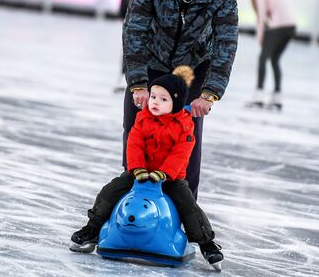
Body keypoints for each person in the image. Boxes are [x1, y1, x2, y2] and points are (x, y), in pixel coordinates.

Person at [122, 0, 238, 199]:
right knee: (136, 130)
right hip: (153, 59)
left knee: (187, 137)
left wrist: (210, 92)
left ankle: (185, 208)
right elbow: (135, 27)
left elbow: (226, 38)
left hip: (195, 66)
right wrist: (138, 82)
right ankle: (132, 202)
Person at [70, 66, 224, 270]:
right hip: (140, 174)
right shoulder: (143, 118)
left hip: (170, 178)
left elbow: (181, 153)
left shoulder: (185, 125)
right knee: (111, 190)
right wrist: (137, 169)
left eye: (163, 99)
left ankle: (206, 243)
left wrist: (164, 173)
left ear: (176, 103)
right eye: (153, 96)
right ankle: (92, 229)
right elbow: (134, 144)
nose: (155, 102)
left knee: (187, 204)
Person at [114, 0, 165, 93]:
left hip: (136, 11)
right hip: (156, 12)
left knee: (132, 43)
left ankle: (125, 76)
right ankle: (150, 76)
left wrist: (123, 12)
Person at [246, 0, 296, 110]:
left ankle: (259, 95)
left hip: (277, 26)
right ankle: (277, 97)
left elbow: (261, 15)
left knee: (262, 59)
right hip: (291, 27)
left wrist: (260, 36)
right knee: (275, 60)